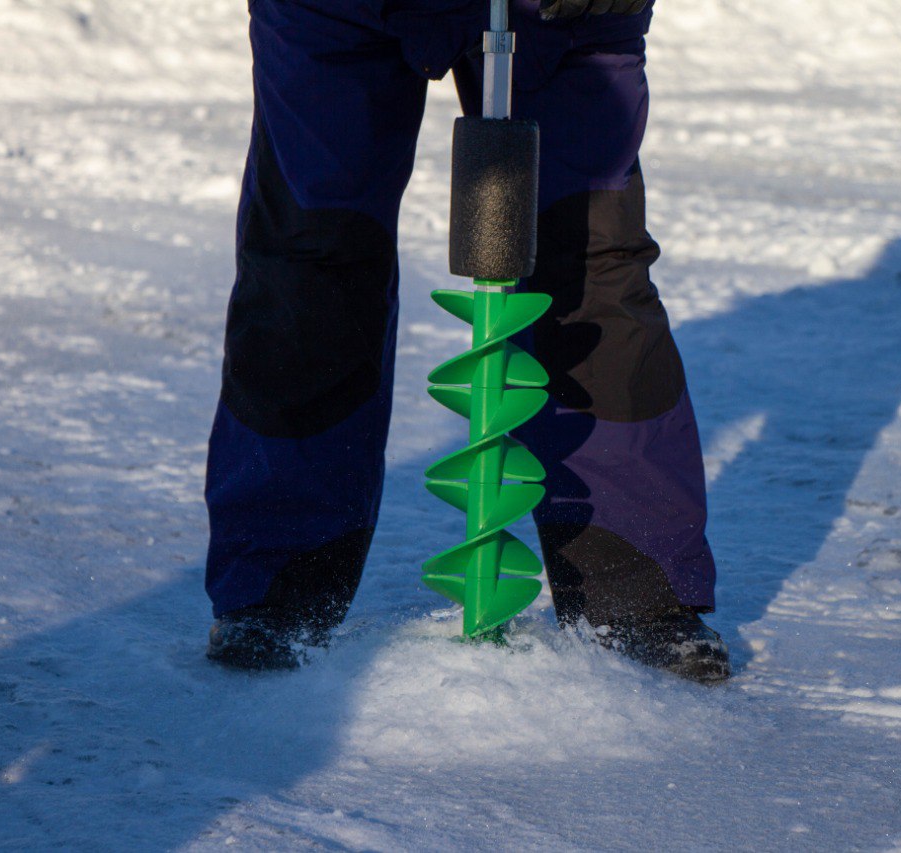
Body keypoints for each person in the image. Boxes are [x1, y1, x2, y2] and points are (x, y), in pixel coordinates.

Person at [202, 0, 730, 682]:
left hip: (557, 12)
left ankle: (636, 595)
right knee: (311, 255)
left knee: (588, 262)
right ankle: (276, 583)